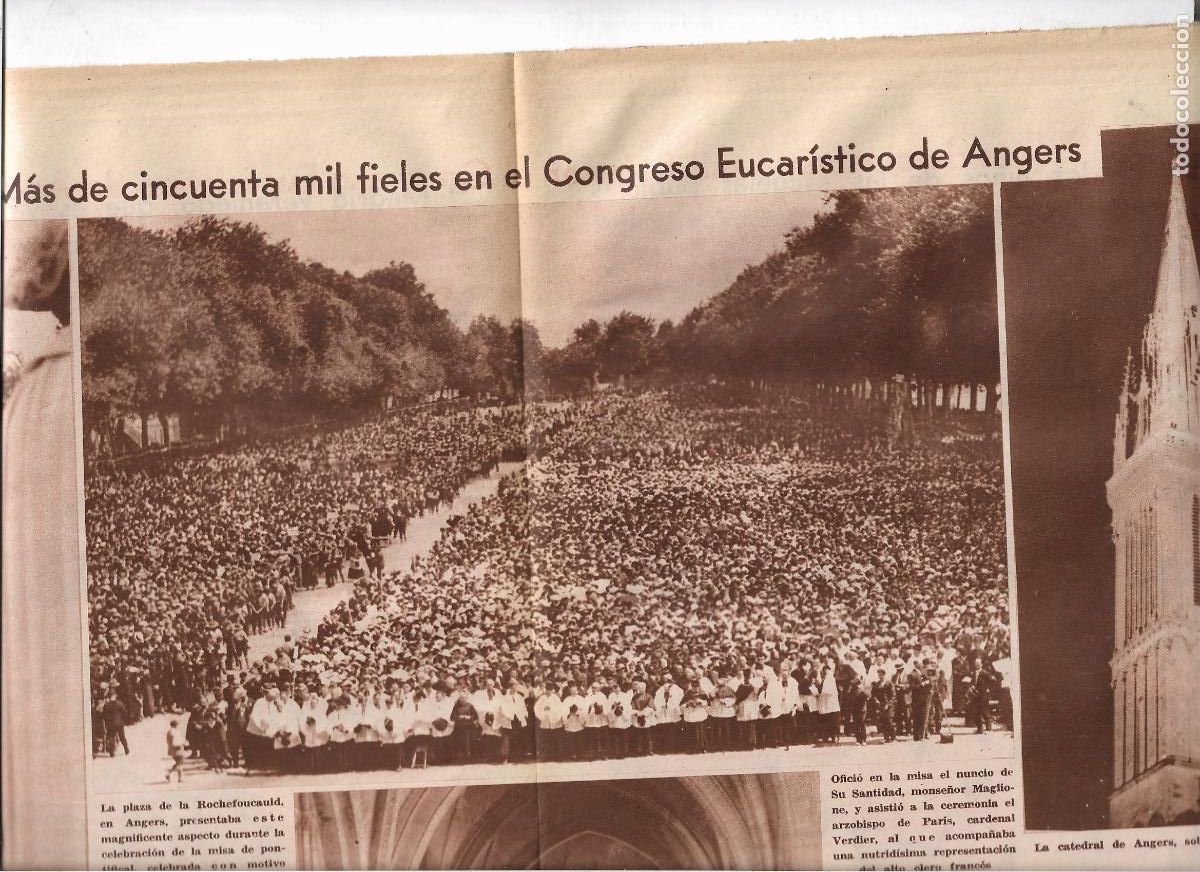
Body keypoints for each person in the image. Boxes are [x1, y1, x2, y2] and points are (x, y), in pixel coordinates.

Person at [102, 692, 130, 756]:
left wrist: (107, 723)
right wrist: (123, 721)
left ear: (109, 697)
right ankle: (126, 749)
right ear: (115, 696)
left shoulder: (106, 706)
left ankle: (112, 752)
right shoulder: (120, 704)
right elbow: (124, 713)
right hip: (119, 724)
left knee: (111, 737)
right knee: (122, 737)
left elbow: (104, 716)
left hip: (110, 724)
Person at [165, 718, 187, 783]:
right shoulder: (173, 732)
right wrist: (182, 743)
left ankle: (170, 775)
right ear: (175, 725)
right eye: (177, 724)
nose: (178, 726)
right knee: (180, 763)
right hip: (177, 749)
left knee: (179, 763)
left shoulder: (172, 731)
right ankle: (173, 776)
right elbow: (174, 743)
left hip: (175, 750)